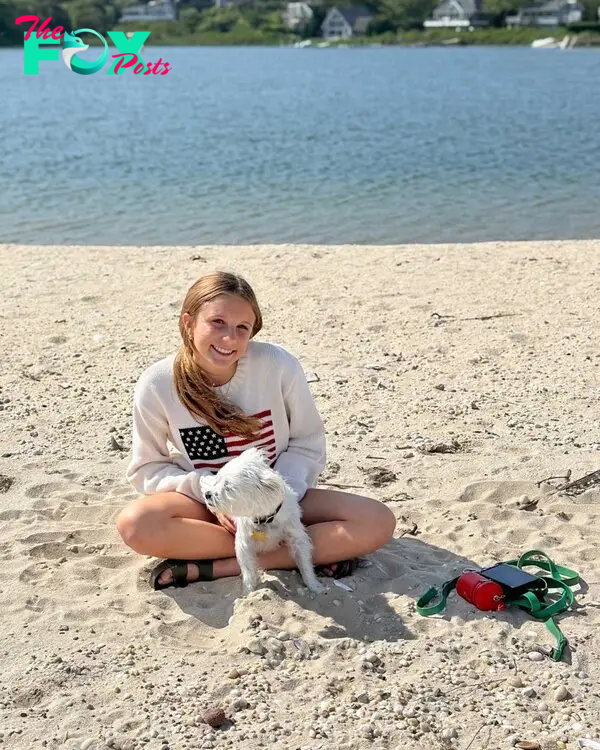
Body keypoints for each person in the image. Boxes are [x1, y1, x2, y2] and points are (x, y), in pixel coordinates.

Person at [116, 271, 396, 590]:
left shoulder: (277, 365)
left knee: (377, 521)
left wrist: (269, 504)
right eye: (217, 322)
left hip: (281, 500)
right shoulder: (158, 383)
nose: (229, 339)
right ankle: (299, 552)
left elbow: (307, 444)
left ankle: (221, 566)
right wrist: (212, 495)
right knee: (134, 525)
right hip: (211, 504)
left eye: (242, 328)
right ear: (188, 322)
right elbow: (147, 468)